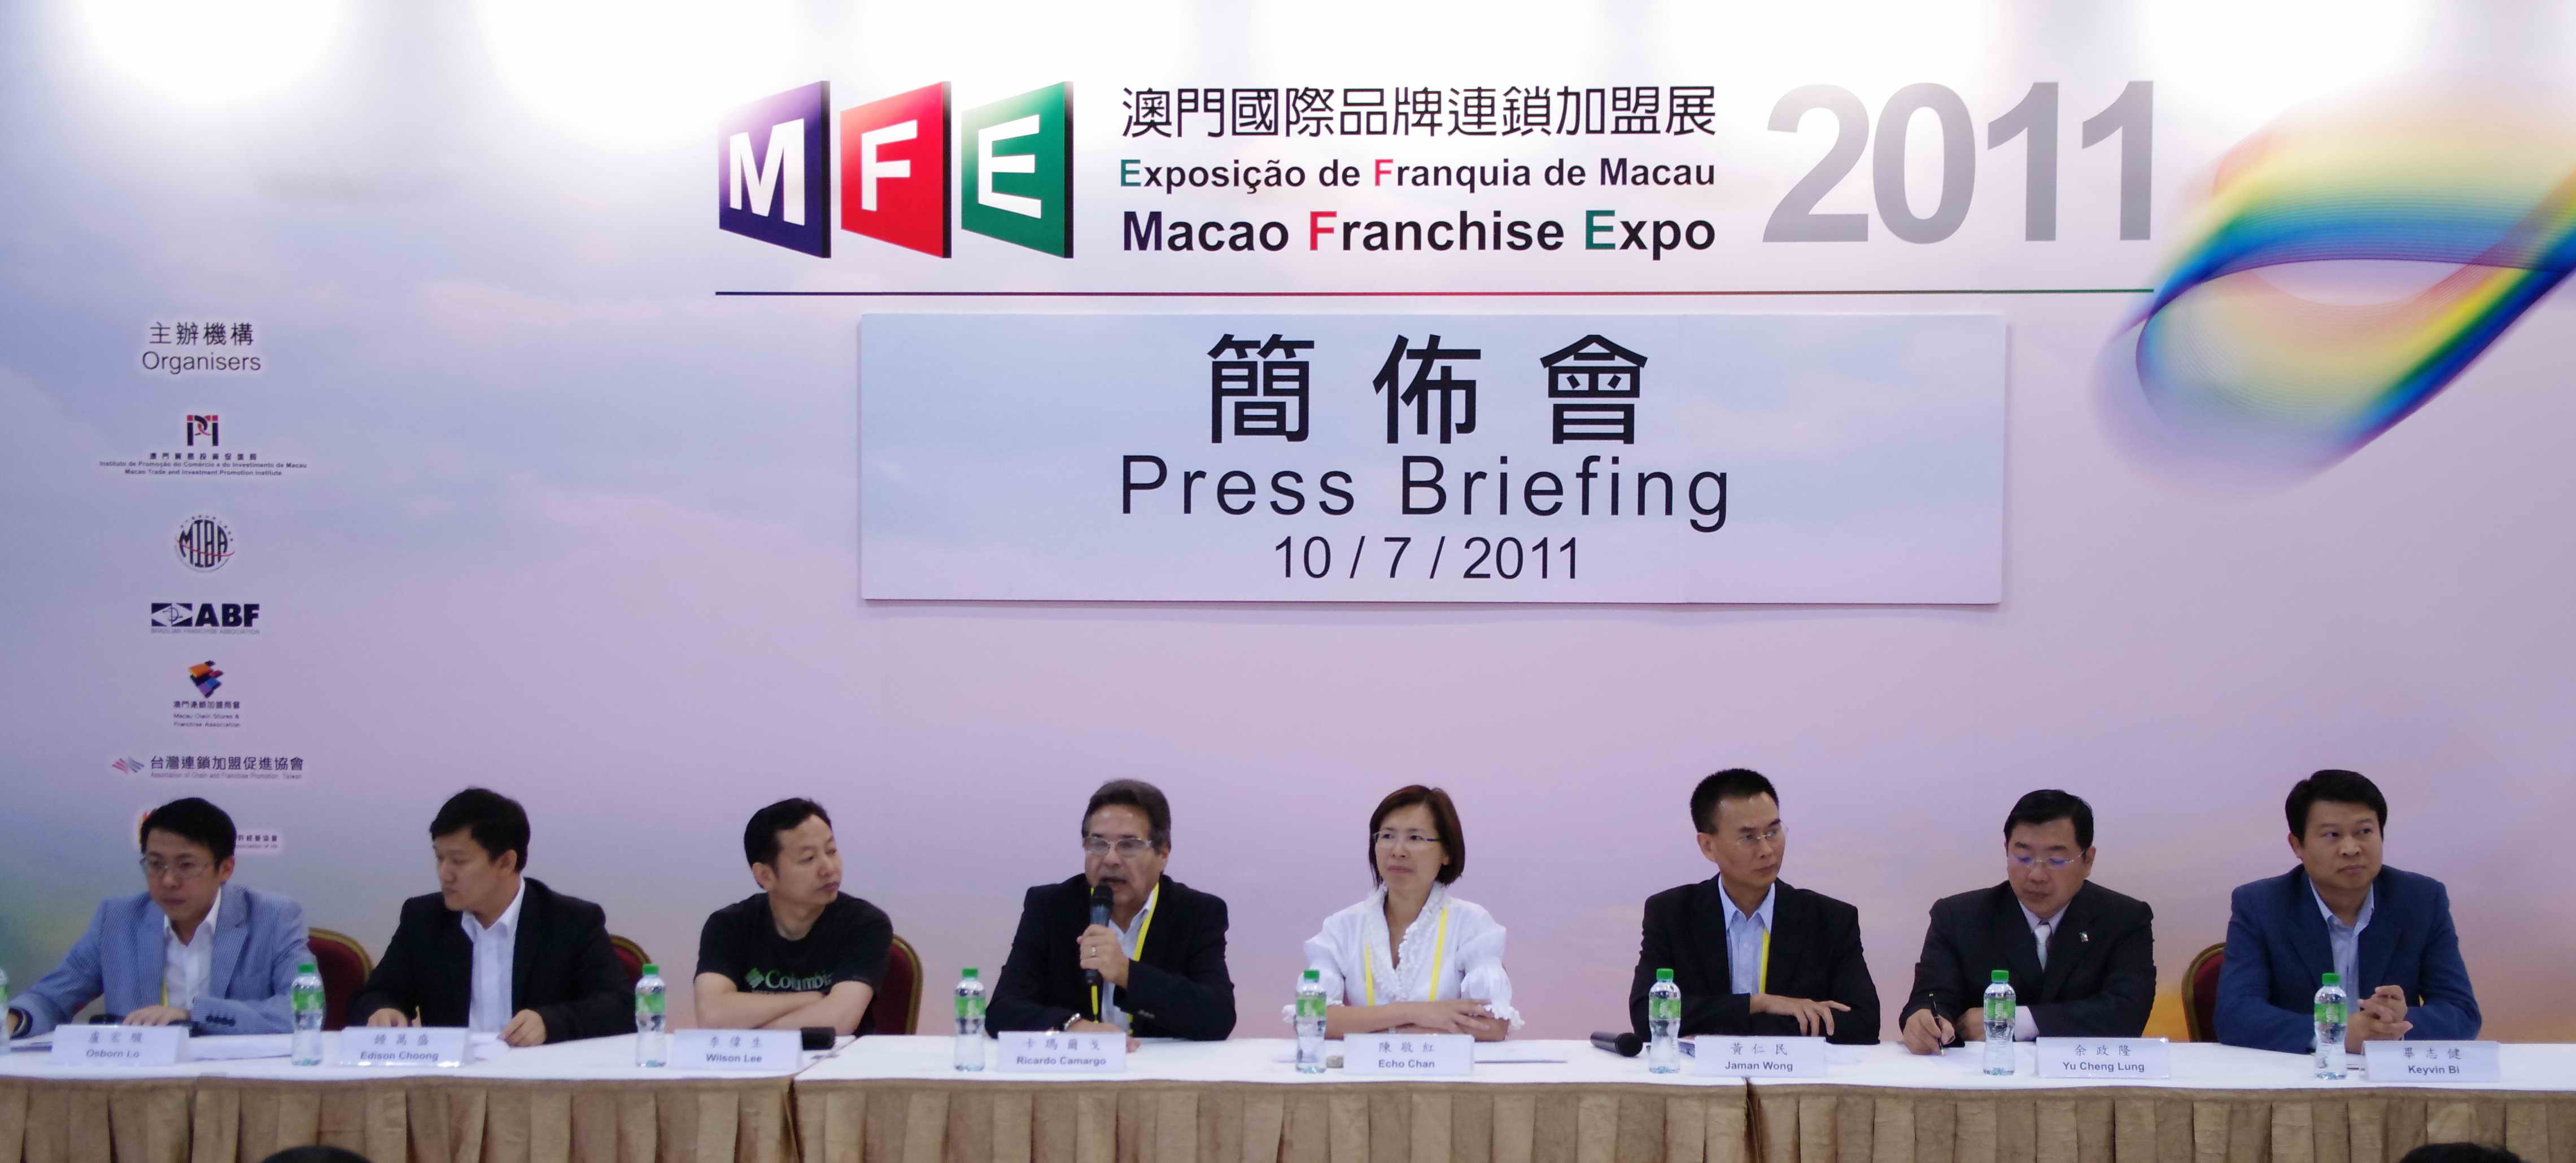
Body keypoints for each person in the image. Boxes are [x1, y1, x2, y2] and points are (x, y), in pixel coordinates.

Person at [2216, 769, 2479, 1054]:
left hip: (2390, 1073)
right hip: (2301, 1071)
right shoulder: (2261, 905)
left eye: (2364, 832)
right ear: (2297, 845)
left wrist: (2395, 1024)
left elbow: (2462, 1012)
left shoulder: (2422, 900)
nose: (2351, 849)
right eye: (2332, 835)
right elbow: (2235, 1015)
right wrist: (2334, 1033)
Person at [5, 798, 308, 1037]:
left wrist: (193, 1015)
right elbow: (52, 997)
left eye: (186, 866)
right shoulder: (118, 919)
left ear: (225, 868)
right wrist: (14, 1019)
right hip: (140, 1081)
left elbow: (300, 1010)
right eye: (155, 864)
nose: (168, 881)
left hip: (234, 1079)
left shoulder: (274, 917)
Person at [348, 788, 628, 1046]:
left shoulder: (571, 921)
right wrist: (382, 1011)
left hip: (538, 1075)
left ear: (506, 862)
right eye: (439, 858)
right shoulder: (424, 919)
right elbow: (375, 995)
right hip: (451, 1078)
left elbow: (621, 1007)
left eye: (458, 861)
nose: (444, 874)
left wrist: (551, 1023)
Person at [1628, 769, 1879, 1045]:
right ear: (1708, 846)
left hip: (1790, 1073)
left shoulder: (1830, 920)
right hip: (1702, 1073)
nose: (1767, 850)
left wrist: (1722, 1021)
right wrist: (1759, 1004)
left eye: (1773, 832)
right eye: (1748, 838)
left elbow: (1863, 1023)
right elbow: (1647, 1016)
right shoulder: (1671, 914)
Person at [1897, 790, 2155, 1052]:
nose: (2036, 875)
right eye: (2023, 858)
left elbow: (2127, 1012)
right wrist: (1924, 1020)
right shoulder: (1958, 917)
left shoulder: (2124, 919)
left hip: (2085, 1070)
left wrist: (2011, 1021)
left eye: (2056, 860)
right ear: (2006, 850)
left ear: (2088, 860)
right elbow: (1932, 997)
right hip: (1983, 1072)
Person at [988, 779, 1235, 1040]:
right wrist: (1072, 1027)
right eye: (1098, 844)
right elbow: (1002, 1011)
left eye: (1129, 845)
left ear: (1163, 854)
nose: (1110, 859)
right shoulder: (1051, 907)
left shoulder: (1197, 913)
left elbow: (1218, 1017)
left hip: (1157, 1065)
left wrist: (1126, 973)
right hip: (1077, 1064)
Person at [1297, 786, 1516, 1041]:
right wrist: (1416, 1013)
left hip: (1445, 1067)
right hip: (1364, 1067)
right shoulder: (1342, 926)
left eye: (1415, 838)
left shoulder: (1472, 924)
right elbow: (1309, 1018)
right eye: (1387, 836)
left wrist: (1368, 1026)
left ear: (1447, 852)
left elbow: (1493, 1025)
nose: (1398, 851)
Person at [694, 798, 893, 1035]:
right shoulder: (728, 926)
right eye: (808, 859)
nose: (829, 868)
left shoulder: (865, 924)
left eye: (831, 851)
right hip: (752, 1060)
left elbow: (838, 1021)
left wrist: (750, 1029)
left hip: (838, 1058)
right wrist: (812, 998)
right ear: (765, 876)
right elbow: (712, 1015)